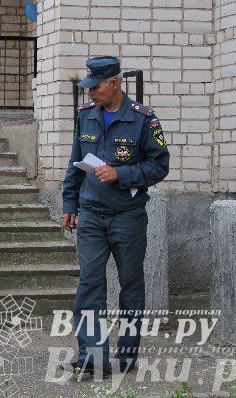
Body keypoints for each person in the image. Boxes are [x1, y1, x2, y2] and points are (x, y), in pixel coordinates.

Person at [61, 56, 170, 376]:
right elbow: (75, 161)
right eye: (88, 87)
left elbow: (159, 166)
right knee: (90, 282)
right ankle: (92, 356)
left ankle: (127, 354)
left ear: (115, 83)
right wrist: (70, 203)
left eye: (95, 87)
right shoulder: (86, 115)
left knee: (130, 285)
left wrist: (121, 174)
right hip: (91, 214)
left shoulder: (143, 119)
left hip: (127, 216)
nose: (90, 92)